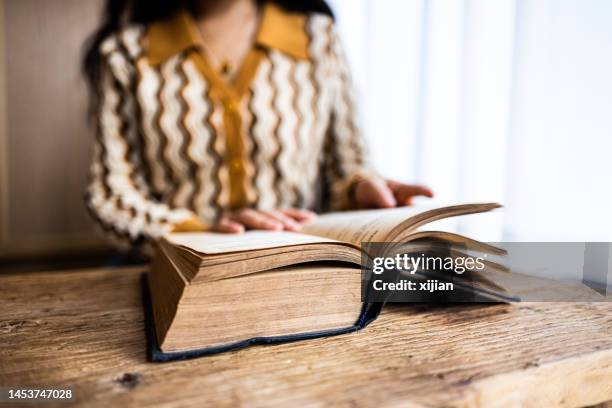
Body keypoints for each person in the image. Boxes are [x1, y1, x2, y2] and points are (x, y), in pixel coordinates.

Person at [82, 0, 433, 248]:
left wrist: (360, 190)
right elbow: (112, 195)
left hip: (300, 268)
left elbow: (347, 162)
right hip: (175, 270)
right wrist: (199, 231)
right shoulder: (125, 55)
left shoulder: (317, 38)